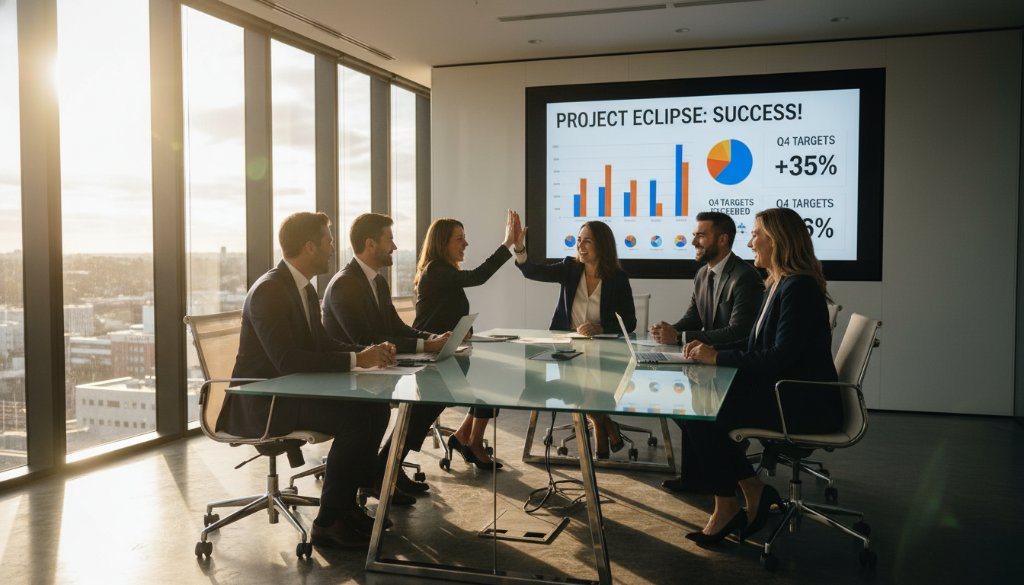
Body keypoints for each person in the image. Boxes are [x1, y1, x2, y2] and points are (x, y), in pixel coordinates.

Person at [218, 211, 396, 550]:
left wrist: (367, 352)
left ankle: (346, 508)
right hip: (264, 401)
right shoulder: (269, 291)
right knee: (356, 418)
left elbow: (321, 344)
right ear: (309, 246)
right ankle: (329, 522)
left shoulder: (303, 289)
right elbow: (286, 360)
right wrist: (358, 360)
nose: (333, 248)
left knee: (376, 409)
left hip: (290, 392)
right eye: (328, 240)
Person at [679, 207, 841, 546]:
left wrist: (717, 357)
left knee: (699, 412)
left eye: (755, 234)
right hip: (783, 394)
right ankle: (751, 490)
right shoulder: (779, 284)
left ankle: (728, 505)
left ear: (776, 241)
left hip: (799, 403)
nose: (750, 242)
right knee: (697, 407)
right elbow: (754, 343)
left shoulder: (798, 288)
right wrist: (707, 349)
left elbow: (780, 356)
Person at [321, 212, 449, 505]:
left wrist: (431, 338)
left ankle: (386, 469)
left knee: (433, 394)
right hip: (349, 378)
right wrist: (427, 347)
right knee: (419, 398)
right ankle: (381, 472)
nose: (394, 247)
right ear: (370, 244)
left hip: (376, 370)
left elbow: (395, 328)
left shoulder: (376, 282)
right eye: (389, 239)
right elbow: (366, 340)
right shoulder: (344, 285)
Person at [648, 211, 763, 492]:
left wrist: (683, 336)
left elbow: (739, 332)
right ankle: (697, 476)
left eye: (701, 235)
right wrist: (670, 331)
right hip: (709, 365)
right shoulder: (703, 274)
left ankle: (716, 474)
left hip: (733, 368)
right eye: (694, 235)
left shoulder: (745, 277)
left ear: (722, 239)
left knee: (691, 411)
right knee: (679, 404)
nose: (693, 241)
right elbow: (693, 317)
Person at [514, 219, 636, 458]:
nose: (580, 245)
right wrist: (519, 247)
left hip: (603, 348)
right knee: (583, 383)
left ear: (602, 245)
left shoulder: (617, 278)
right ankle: (604, 427)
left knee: (587, 383)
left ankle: (601, 430)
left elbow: (630, 323)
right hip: (568, 344)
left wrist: (600, 328)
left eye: (587, 240)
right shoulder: (570, 268)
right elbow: (532, 271)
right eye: (579, 239)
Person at [413, 211, 518, 469]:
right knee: (415, 424)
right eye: (459, 238)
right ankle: (468, 441)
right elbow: (478, 277)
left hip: (447, 353)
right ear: (442, 243)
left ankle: (467, 439)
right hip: (431, 359)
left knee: (492, 384)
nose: (466, 244)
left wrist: (462, 331)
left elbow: (445, 314)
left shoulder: (444, 272)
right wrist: (507, 244)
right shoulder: (436, 270)